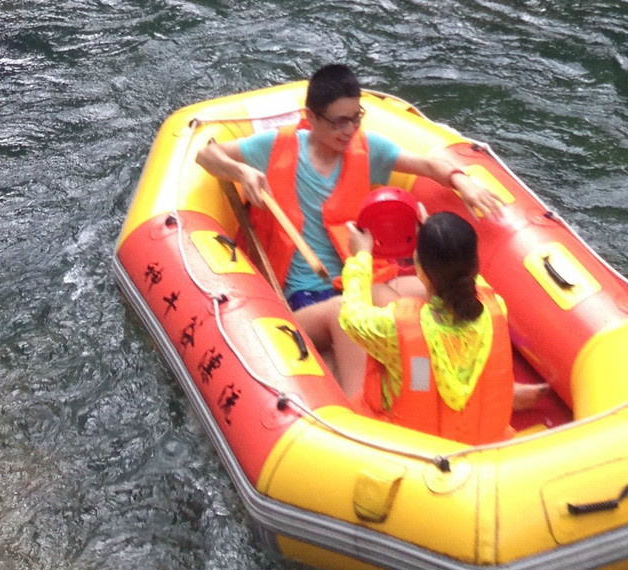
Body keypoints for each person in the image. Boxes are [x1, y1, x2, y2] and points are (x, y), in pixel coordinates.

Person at [193, 64, 507, 392]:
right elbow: (206, 154)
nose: (350, 129)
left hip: (356, 280)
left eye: (356, 117)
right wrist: (240, 171)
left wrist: (463, 182)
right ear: (311, 118)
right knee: (345, 317)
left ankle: (480, 384)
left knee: (433, 294)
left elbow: (427, 165)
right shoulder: (277, 147)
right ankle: (361, 411)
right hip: (302, 297)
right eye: (339, 121)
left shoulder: (367, 149)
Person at [340, 210, 545, 437]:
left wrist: (360, 258)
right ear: (475, 264)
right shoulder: (496, 307)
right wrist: (441, 236)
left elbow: (351, 317)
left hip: (417, 455)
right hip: (482, 450)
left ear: (419, 268)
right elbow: (466, 275)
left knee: (386, 384)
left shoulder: (394, 330)